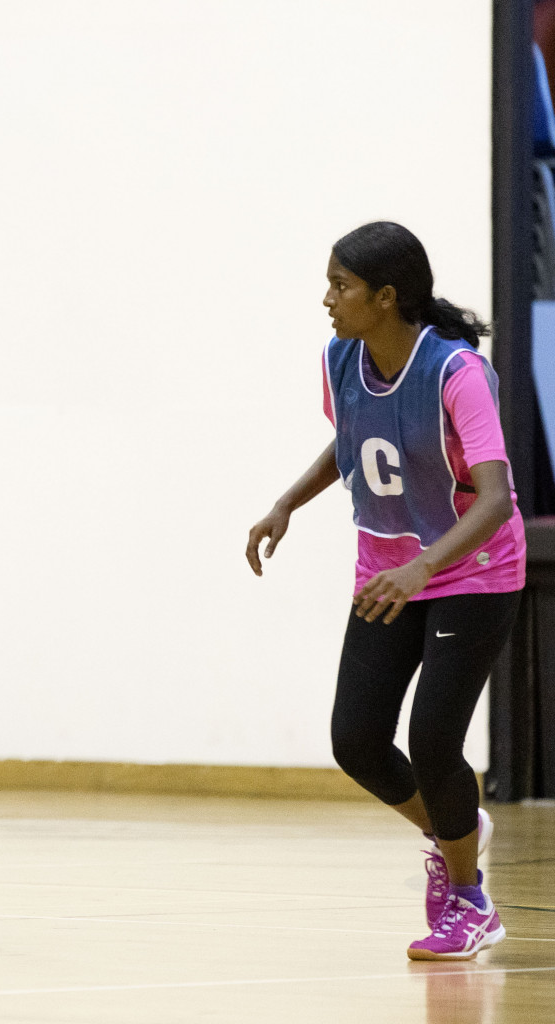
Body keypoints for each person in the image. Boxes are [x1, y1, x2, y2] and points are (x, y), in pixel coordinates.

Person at [247, 221, 525, 961]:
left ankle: (469, 900)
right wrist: (286, 503)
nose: (328, 299)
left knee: (434, 739)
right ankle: (451, 828)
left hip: (471, 569)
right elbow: (354, 443)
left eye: (341, 286)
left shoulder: (456, 372)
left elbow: (496, 499)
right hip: (390, 571)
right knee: (358, 740)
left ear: (387, 296)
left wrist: (423, 568)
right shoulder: (341, 359)